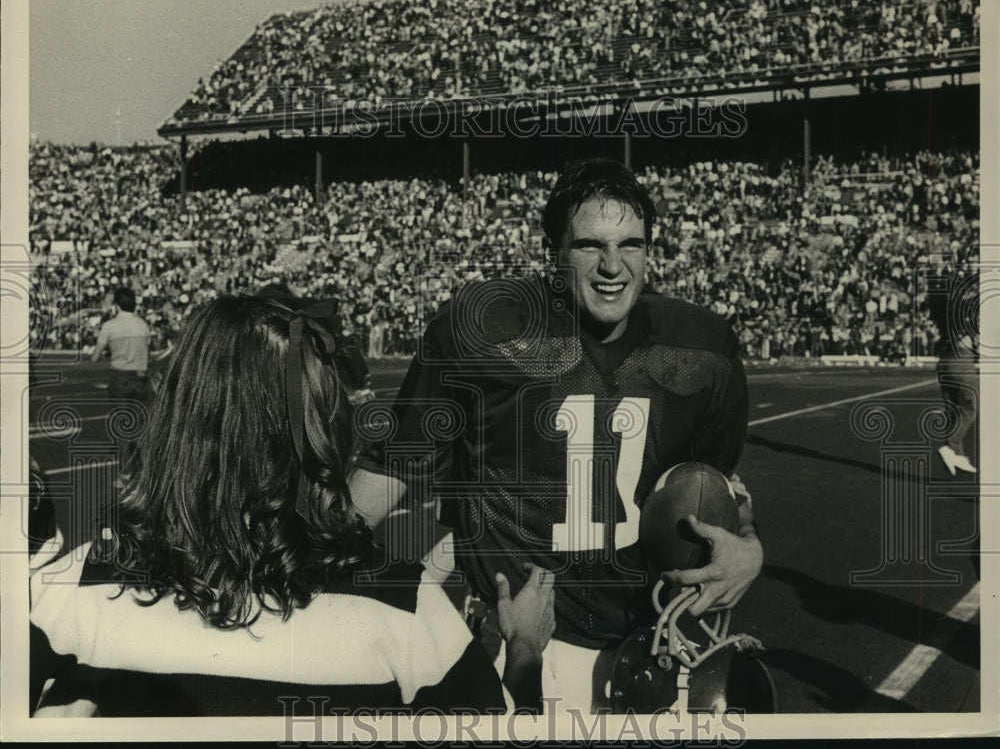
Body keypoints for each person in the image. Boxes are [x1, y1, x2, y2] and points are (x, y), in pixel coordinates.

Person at [351, 158, 762, 714]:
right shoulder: (486, 330)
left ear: (650, 251)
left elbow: (716, 486)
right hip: (514, 640)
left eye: (631, 245)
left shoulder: (702, 350)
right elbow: (394, 466)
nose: (612, 266)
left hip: (652, 645)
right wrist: (294, 562)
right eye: (590, 245)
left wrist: (750, 546)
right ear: (555, 254)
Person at [31, 295, 554, 717]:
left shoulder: (81, 591)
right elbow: (506, 727)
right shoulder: (404, 607)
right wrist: (525, 646)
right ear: (321, 425)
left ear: (175, 420)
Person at [926, 255, 978, 475]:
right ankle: (950, 446)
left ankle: (955, 452)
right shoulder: (959, 308)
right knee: (969, 405)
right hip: (960, 359)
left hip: (944, 359)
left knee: (953, 408)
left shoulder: (937, 306)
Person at [90, 287, 151, 402]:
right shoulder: (143, 325)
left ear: (117, 305)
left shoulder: (109, 326)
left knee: (121, 417)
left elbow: (94, 357)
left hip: (120, 379)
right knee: (141, 417)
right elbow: (147, 356)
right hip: (140, 379)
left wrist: (109, 354)